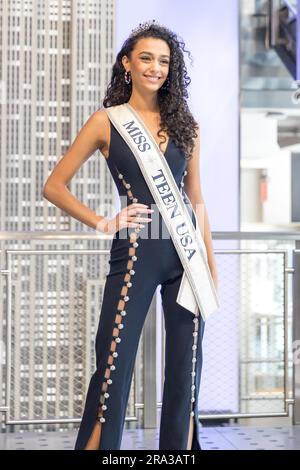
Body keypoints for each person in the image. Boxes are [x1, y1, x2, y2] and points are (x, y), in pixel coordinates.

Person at [42, 20, 218, 451]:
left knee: (185, 372)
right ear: (127, 63)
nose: (155, 68)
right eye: (146, 58)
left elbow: (195, 201)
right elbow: (54, 186)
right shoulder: (107, 122)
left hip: (185, 256)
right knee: (113, 370)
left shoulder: (186, 125)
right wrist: (104, 221)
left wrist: (210, 265)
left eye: (163, 61)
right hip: (136, 252)